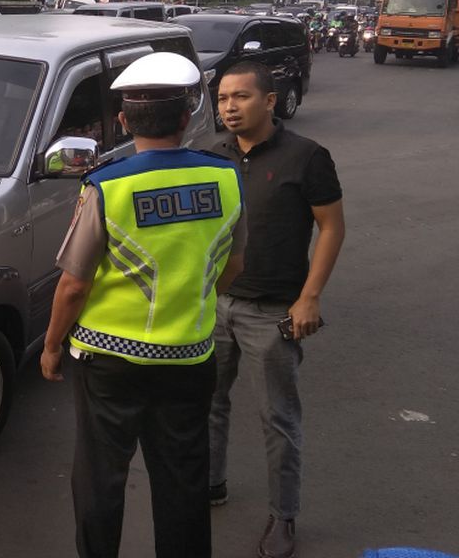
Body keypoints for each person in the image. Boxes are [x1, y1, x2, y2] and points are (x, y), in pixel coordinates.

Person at [40, 52, 246, 558]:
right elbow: (235, 264)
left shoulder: (107, 185)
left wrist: (49, 346)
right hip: (190, 357)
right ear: (185, 118)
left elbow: (73, 285)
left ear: (124, 122)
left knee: (100, 480)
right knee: (183, 479)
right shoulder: (225, 178)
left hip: (109, 362)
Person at [209, 62, 345, 558]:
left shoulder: (306, 157)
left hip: (273, 311)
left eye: (241, 97)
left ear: (270, 101)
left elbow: (331, 226)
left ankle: (283, 515)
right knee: (208, 403)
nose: (229, 107)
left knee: (278, 419)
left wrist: (310, 296)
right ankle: (211, 482)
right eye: (223, 98)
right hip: (215, 304)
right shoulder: (209, 155)